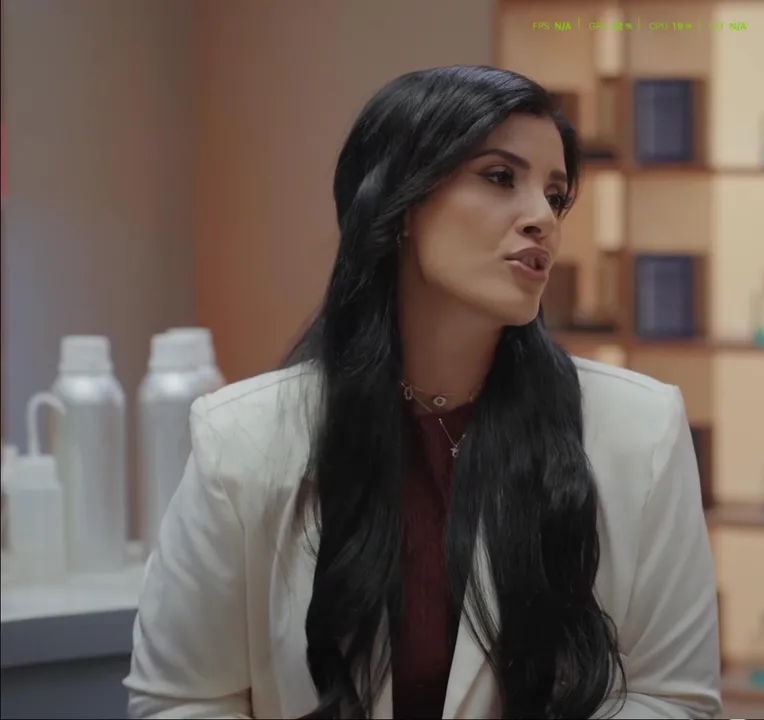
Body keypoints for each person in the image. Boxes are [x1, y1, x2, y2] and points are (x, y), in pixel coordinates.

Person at [124, 66, 722, 719]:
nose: (542, 220)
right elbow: (182, 701)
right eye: (501, 178)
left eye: (555, 196)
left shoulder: (641, 428)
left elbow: (673, 698)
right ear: (401, 203)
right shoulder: (242, 437)